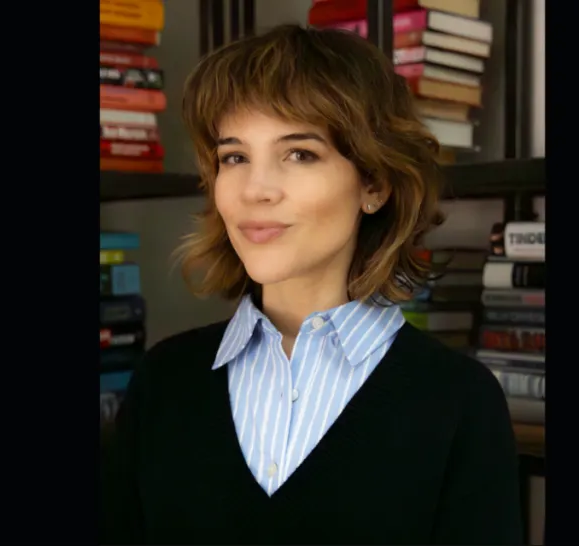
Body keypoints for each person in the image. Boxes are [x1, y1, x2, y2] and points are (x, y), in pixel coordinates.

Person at [100, 24, 522, 545]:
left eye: (299, 153)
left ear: (374, 183)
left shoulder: (459, 402)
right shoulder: (163, 381)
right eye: (235, 156)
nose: (256, 189)